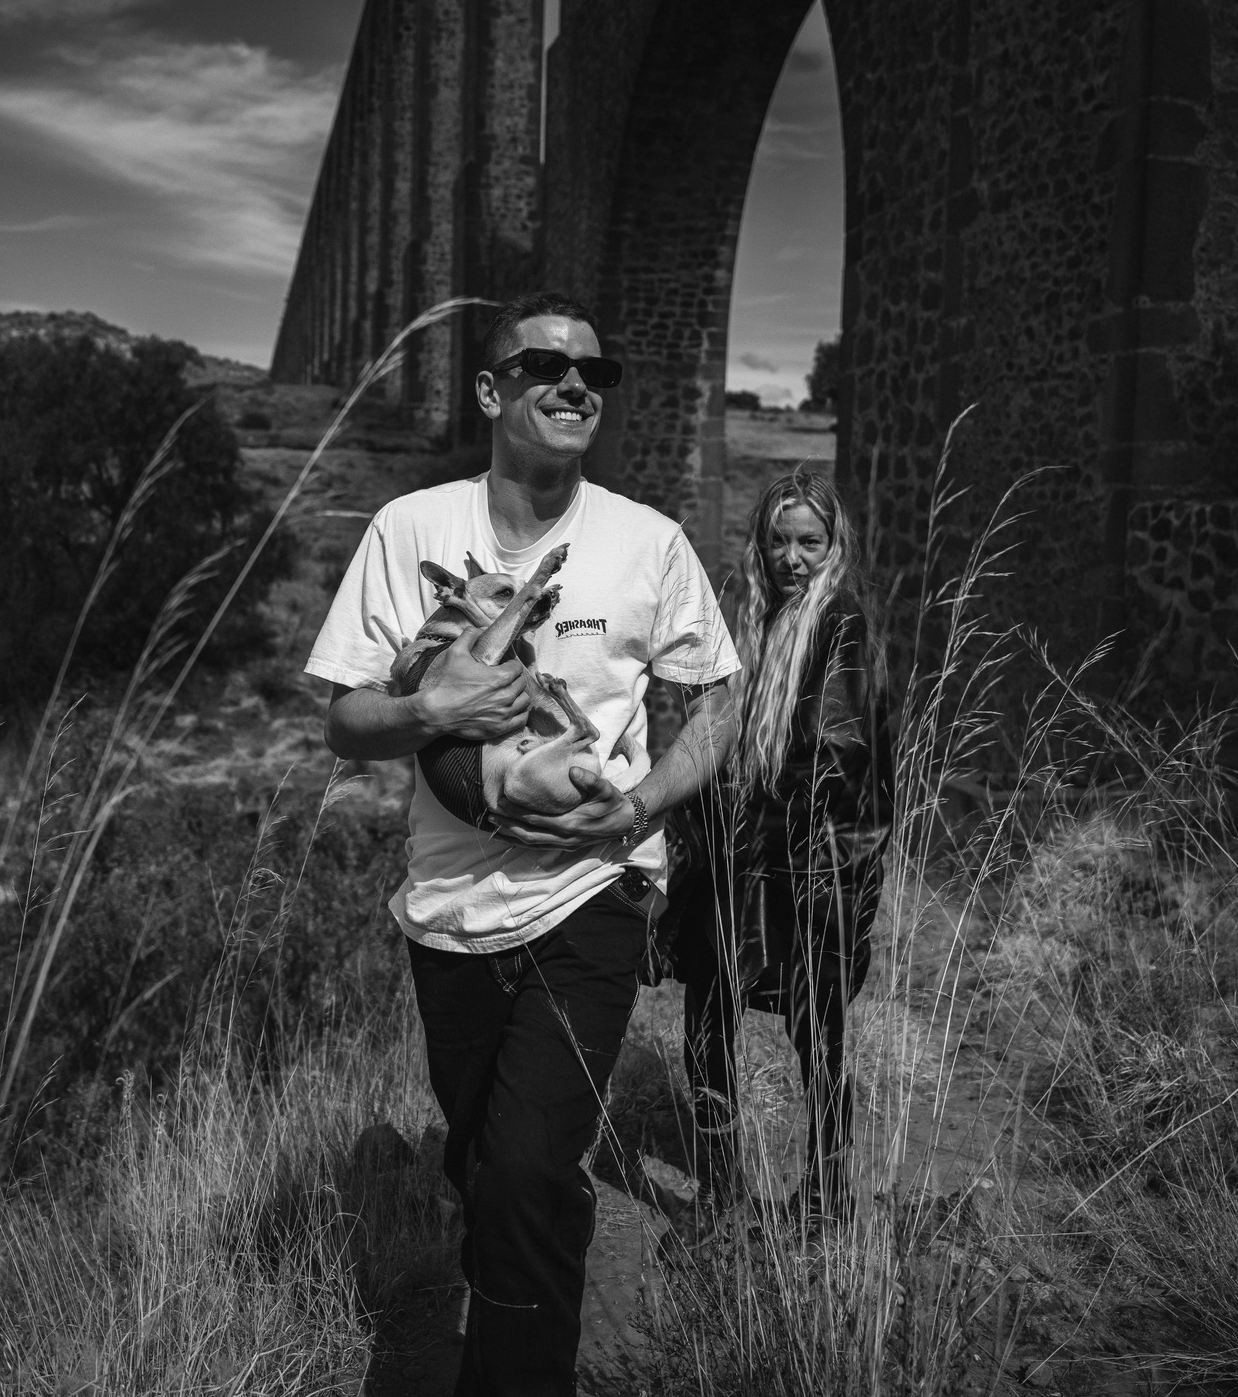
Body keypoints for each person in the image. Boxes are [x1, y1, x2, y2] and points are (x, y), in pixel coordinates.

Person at [305, 292, 738, 1396]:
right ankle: (522, 1263)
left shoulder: (650, 542)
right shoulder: (409, 529)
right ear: (491, 390)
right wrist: (431, 709)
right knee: (481, 1164)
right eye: (544, 364)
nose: (574, 383)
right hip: (449, 908)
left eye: (595, 371)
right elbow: (346, 722)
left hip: (594, 892)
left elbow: (720, 700)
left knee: (527, 1169)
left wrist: (640, 808)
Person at [664, 469, 892, 1226]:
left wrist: (762, 826)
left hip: (814, 861)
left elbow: (837, 753)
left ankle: (827, 1192)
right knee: (707, 1011)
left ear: (834, 546)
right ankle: (720, 1187)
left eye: (809, 542)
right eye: (779, 540)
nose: (792, 558)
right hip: (746, 857)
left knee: (815, 1030)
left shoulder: (842, 623)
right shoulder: (754, 621)